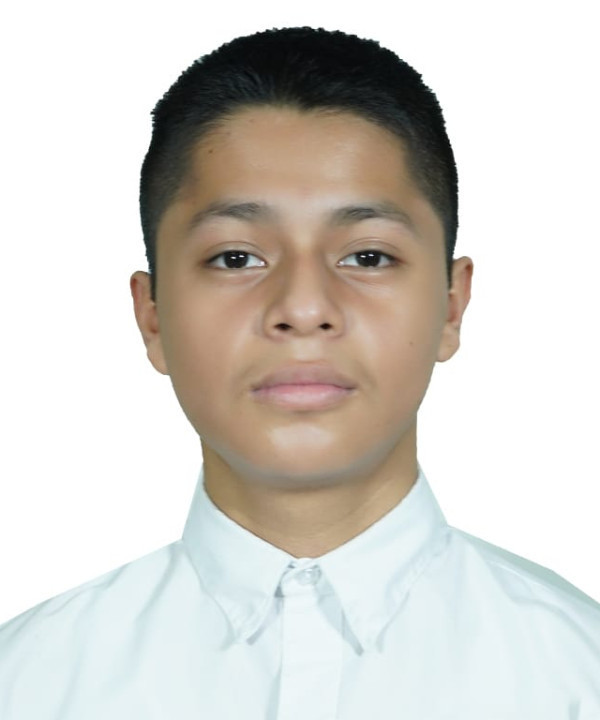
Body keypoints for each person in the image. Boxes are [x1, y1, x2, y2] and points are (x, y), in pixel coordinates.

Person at [0, 25, 598, 719]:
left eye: (368, 257)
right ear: (152, 315)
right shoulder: (28, 683)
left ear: (451, 305)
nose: (304, 308)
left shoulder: (577, 676)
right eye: (236, 258)